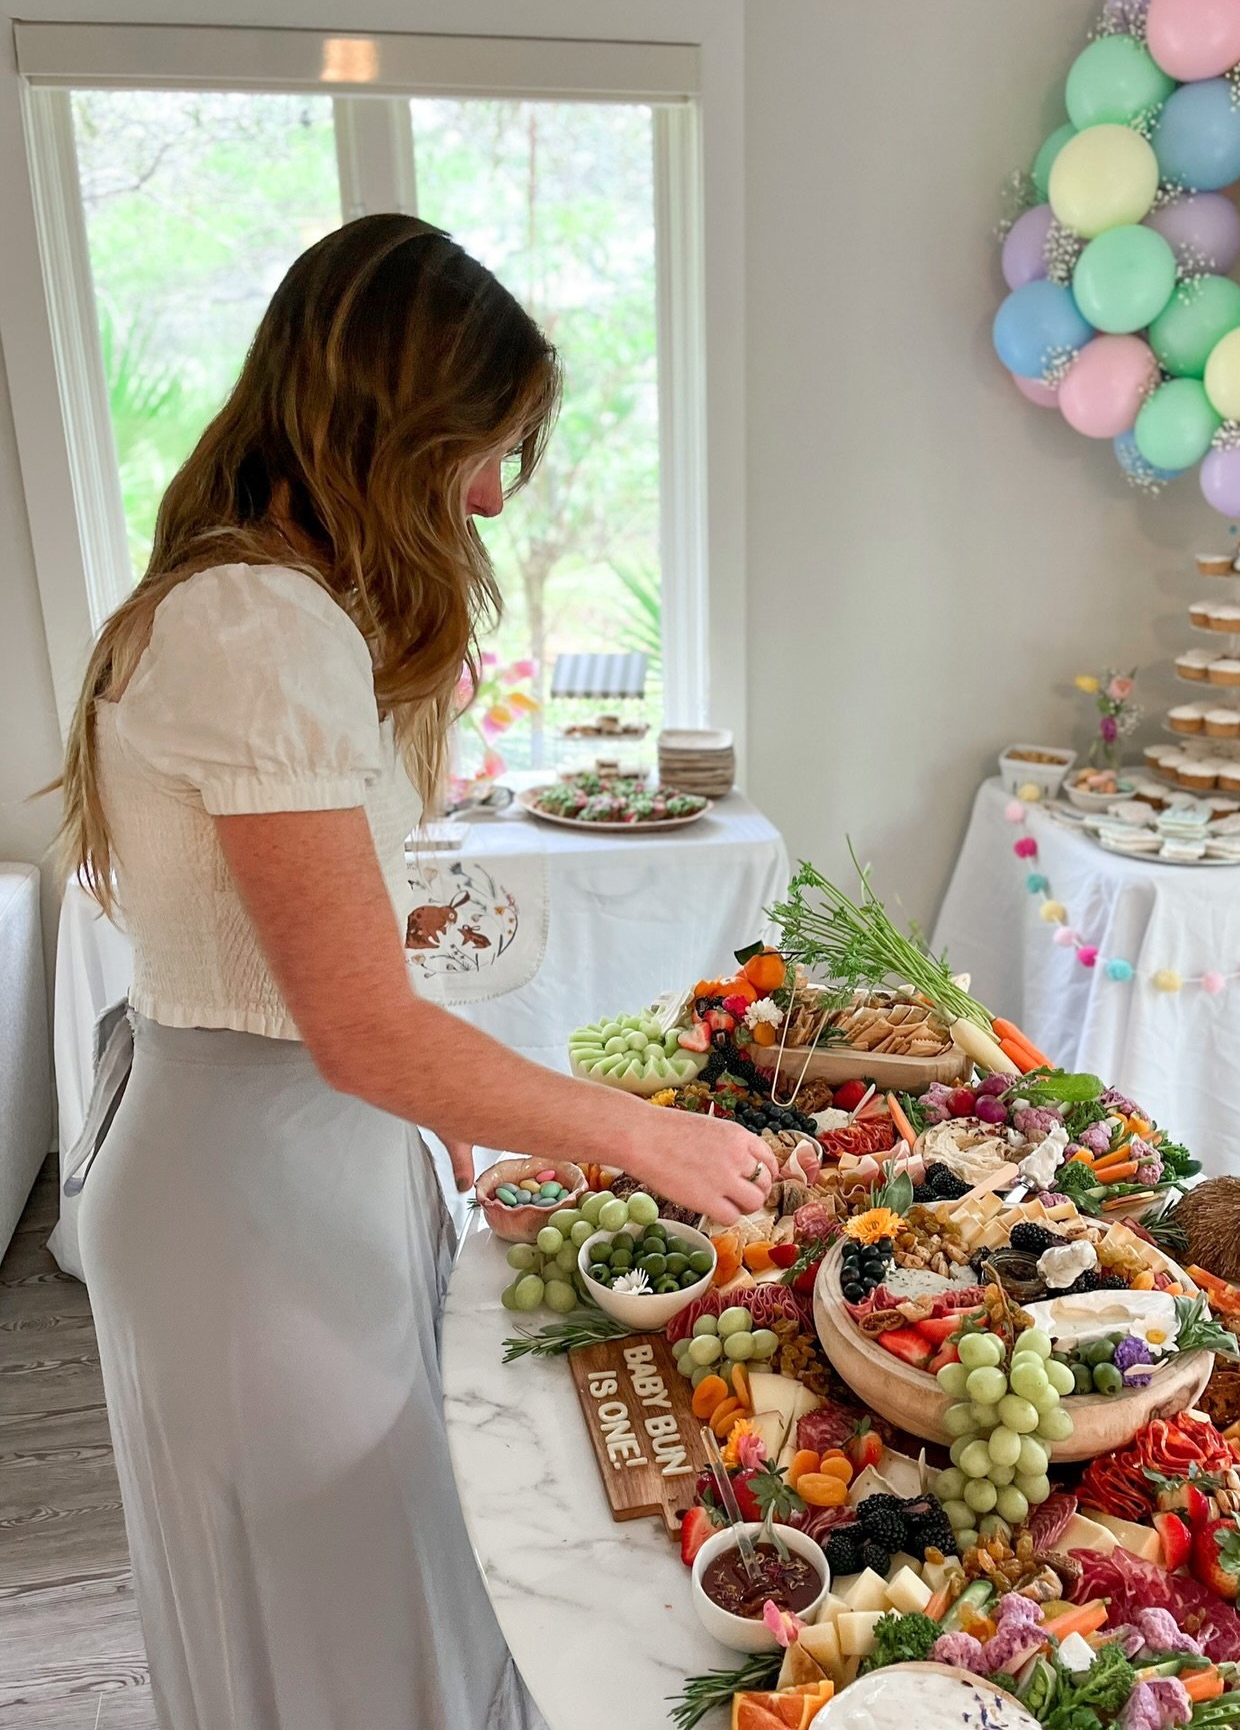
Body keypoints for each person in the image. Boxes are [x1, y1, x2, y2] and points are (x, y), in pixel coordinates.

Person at [57, 213, 773, 1730]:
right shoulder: (256, 622)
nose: (499, 495)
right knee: (340, 1623)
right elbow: (362, 1026)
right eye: (488, 445)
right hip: (253, 1200)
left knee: (341, 1602)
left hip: (269, 1147)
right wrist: (646, 1133)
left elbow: (339, 980)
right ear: (393, 424)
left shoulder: (248, 592)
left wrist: (435, 1114)